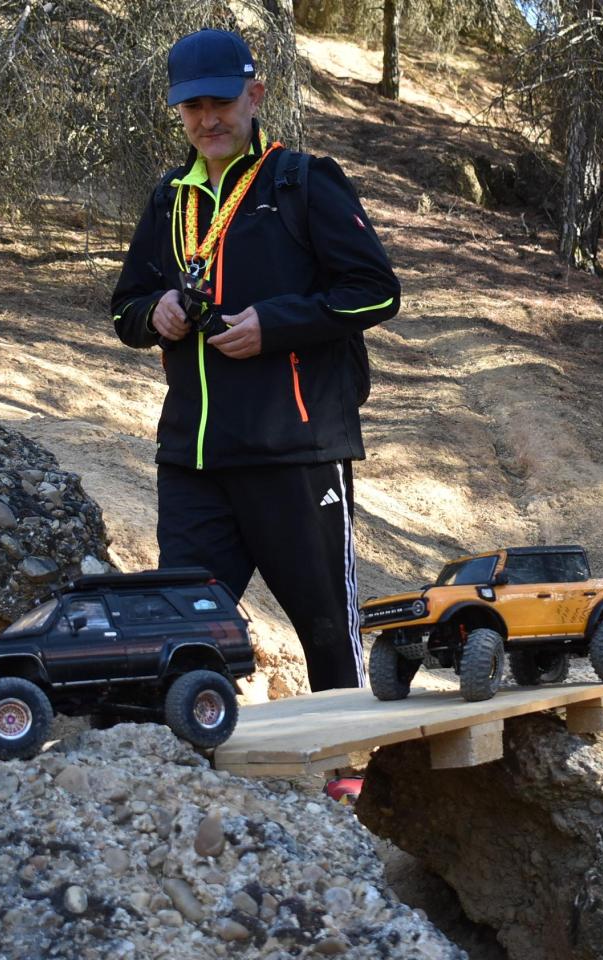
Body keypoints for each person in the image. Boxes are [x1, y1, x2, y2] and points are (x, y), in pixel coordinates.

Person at [110, 29, 400, 693]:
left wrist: (276, 325)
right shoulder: (168, 199)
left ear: (255, 94)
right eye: (192, 107)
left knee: (328, 628)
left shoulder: (302, 182)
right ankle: (190, 766)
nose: (208, 119)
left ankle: (350, 778)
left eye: (221, 102)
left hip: (294, 453)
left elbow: (376, 291)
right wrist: (153, 311)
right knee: (180, 630)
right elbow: (124, 307)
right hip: (194, 459)